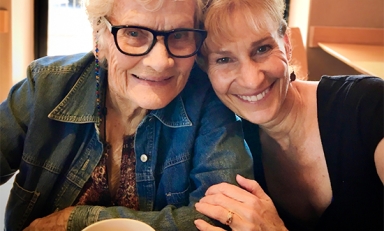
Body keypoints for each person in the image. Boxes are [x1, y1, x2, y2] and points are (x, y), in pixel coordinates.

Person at [0, 0, 254, 230]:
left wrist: (78, 221)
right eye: (134, 33)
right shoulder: (45, 87)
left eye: (179, 35)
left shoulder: (208, 102)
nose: (160, 62)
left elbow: (226, 218)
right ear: (100, 35)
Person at [193, 0, 384, 230]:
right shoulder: (224, 145)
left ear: (286, 43)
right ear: (205, 69)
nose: (252, 79)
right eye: (224, 60)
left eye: (262, 49)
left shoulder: (368, 105)